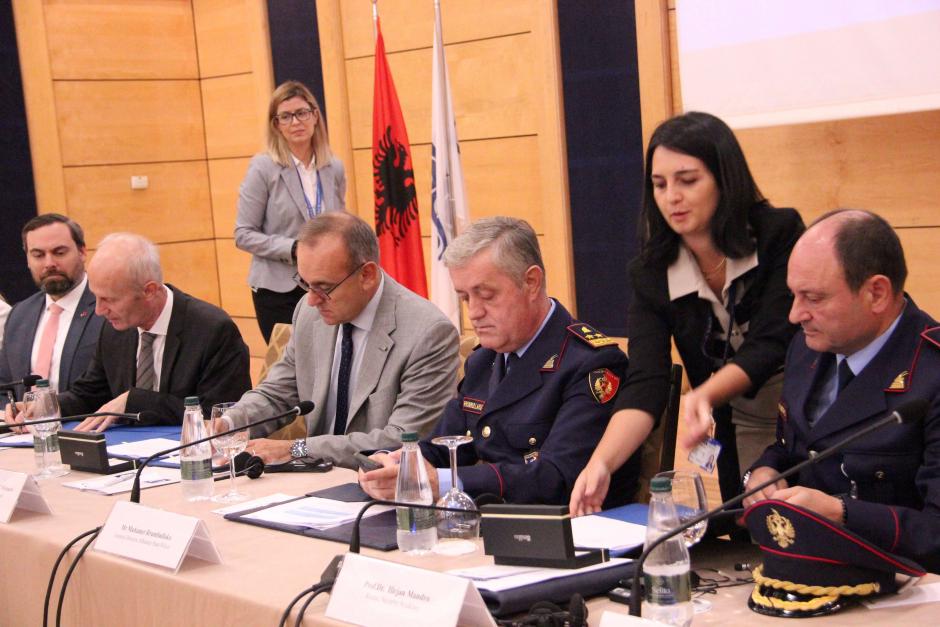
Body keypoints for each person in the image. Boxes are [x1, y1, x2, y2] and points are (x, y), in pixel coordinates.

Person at [570, 112, 805, 515]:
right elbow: (646, 382)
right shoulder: (651, 272)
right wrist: (602, 464)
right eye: (659, 185)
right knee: (752, 524)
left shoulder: (778, 234)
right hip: (737, 421)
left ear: (724, 179)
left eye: (688, 180)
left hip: (804, 411)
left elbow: (773, 341)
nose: (671, 197)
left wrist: (704, 394)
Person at [359, 217, 633, 506]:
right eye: (465, 298)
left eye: (486, 295)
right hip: (486, 521)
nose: (474, 312)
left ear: (531, 282)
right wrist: (394, 463)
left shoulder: (591, 364)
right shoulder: (484, 360)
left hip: (563, 526)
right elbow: (443, 445)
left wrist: (443, 482)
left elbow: (557, 477)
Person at [742, 210, 940, 573]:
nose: (795, 315)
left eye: (813, 298)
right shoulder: (807, 348)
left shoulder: (931, 371)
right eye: (793, 295)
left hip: (906, 583)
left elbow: (936, 532)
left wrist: (841, 512)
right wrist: (765, 471)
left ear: (876, 293)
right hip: (809, 572)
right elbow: (796, 447)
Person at [224, 212, 459, 469]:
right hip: (312, 477)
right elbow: (276, 394)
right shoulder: (308, 312)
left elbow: (401, 440)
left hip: (377, 480)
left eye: (324, 288)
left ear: (367, 275)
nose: (312, 300)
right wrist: (227, 424)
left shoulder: (427, 333)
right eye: (305, 283)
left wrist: (297, 449)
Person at [11, 233, 253, 431]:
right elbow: (90, 393)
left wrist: (135, 401)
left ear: (149, 291)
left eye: (109, 299)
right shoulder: (115, 328)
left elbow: (220, 415)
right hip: (127, 454)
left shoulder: (211, 329)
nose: (99, 311)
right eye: (96, 297)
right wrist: (46, 406)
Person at [235, 80, 347, 343]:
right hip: (278, 290)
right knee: (290, 363)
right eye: (286, 116)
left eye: (302, 113)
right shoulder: (263, 168)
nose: (296, 122)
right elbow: (243, 234)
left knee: (327, 359)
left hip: (326, 286)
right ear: (276, 125)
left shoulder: (333, 167)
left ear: (315, 116)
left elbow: (339, 223)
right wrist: (294, 248)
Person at [0, 214, 104, 398]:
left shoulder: (107, 307)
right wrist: (9, 410)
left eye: (59, 252)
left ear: (82, 252)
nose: (49, 264)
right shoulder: (19, 314)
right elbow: (4, 388)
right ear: (28, 260)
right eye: (38, 255)